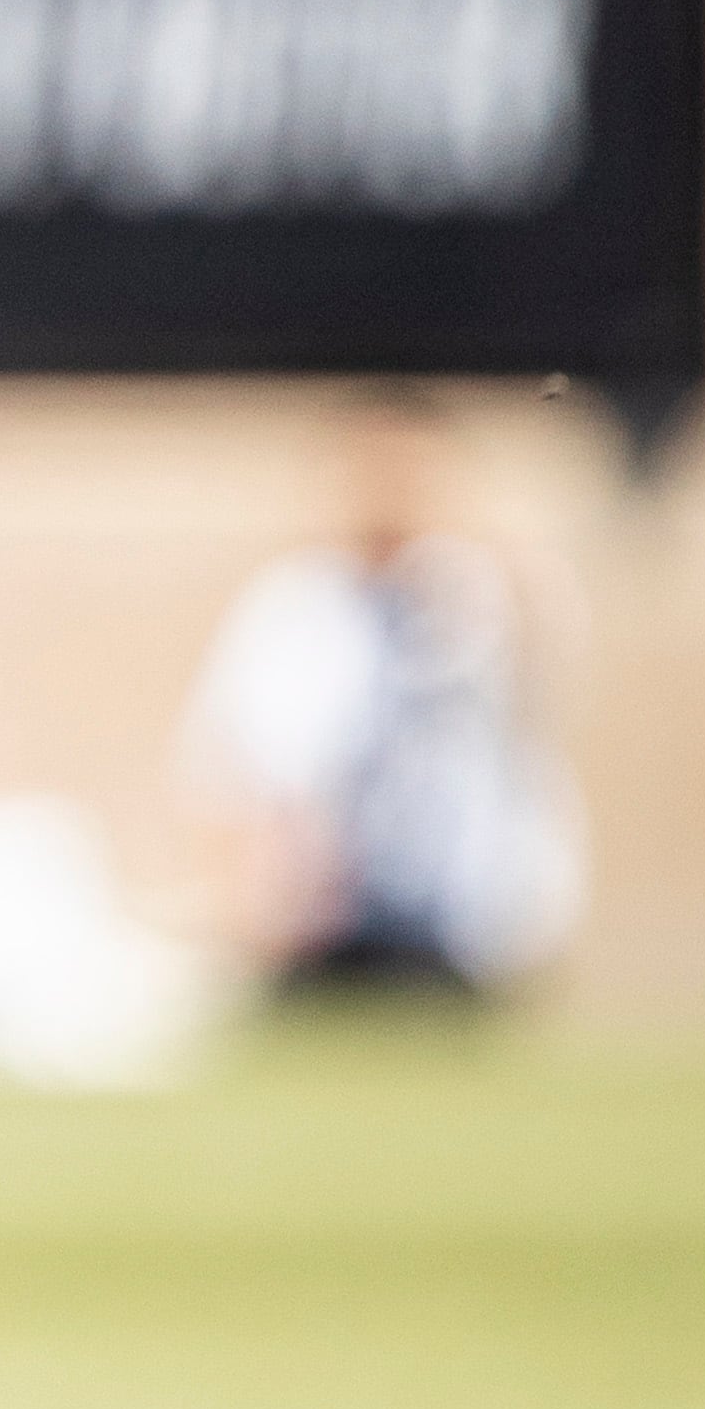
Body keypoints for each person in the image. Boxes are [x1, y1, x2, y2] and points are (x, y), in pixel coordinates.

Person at [180, 397, 583, 996]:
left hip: (462, 931)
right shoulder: (294, 604)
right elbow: (235, 765)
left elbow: (540, 694)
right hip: (318, 925)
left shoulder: (479, 594)